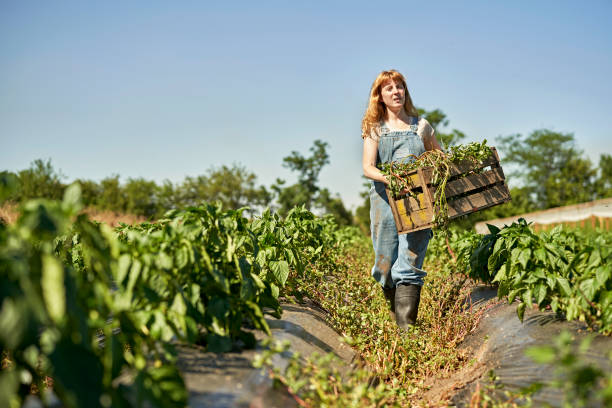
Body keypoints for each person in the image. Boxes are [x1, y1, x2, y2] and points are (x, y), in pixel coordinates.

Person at [361, 70, 443, 329]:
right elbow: (368, 167)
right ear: (380, 96)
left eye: (400, 87)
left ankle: (406, 330)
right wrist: (392, 180)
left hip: (417, 201)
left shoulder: (421, 126)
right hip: (385, 199)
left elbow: (438, 158)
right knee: (384, 266)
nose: (396, 92)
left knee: (409, 262)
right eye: (389, 88)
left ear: (405, 92)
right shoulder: (374, 129)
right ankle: (395, 315)